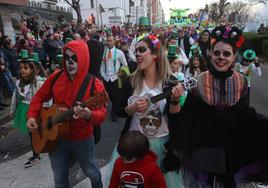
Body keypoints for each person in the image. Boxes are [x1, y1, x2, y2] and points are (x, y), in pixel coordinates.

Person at [165, 26, 268, 187]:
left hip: (230, 150)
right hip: (204, 150)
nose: (221, 57)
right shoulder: (197, 81)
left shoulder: (242, 81)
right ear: (210, 54)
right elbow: (186, 118)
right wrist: (174, 100)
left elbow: (245, 116)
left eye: (226, 53)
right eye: (217, 53)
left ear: (234, 57)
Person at [105, 35, 184, 187]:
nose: (137, 54)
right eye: (136, 51)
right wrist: (131, 108)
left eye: (142, 50)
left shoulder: (171, 82)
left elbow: (176, 119)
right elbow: (118, 109)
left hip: (161, 146)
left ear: (154, 54)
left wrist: (175, 100)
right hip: (134, 145)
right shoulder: (131, 81)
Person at [27, 40, 107, 188]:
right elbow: (39, 97)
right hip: (56, 140)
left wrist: (89, 115)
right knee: (59, 179)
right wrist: (32, 115)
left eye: (74, 58)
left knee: (91, 171)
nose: (70, 62)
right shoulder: (56, 77)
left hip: (82, 139)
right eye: (67, 57)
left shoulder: (94, 83)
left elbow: (102, 114)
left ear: (83, 58)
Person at [10, 56, 43, 167]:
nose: (22, 70)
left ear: (32, 69)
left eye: (25, 68)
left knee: (36, 133)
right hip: (23, 109)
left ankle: (37, 154)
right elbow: (16, 95)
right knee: (31, 134)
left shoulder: (38, 82)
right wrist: (12, 108)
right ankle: (36, 154)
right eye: (21, 68)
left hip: (35, 110)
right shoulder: (19, 82)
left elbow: (44, 97)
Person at [100, 34, 128, 122]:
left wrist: (122, 72)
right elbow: (102, 65)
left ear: (114, 42)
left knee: (116, 98)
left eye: (110, 41)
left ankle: (113, 113)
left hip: (115, 78)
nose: (108, 42)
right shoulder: (103, 52)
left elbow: (125, 65)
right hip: (106, 79)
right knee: (109, 96)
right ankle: (112, 108)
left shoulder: (120, 53)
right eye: (107, 41)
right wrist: (103, 75)